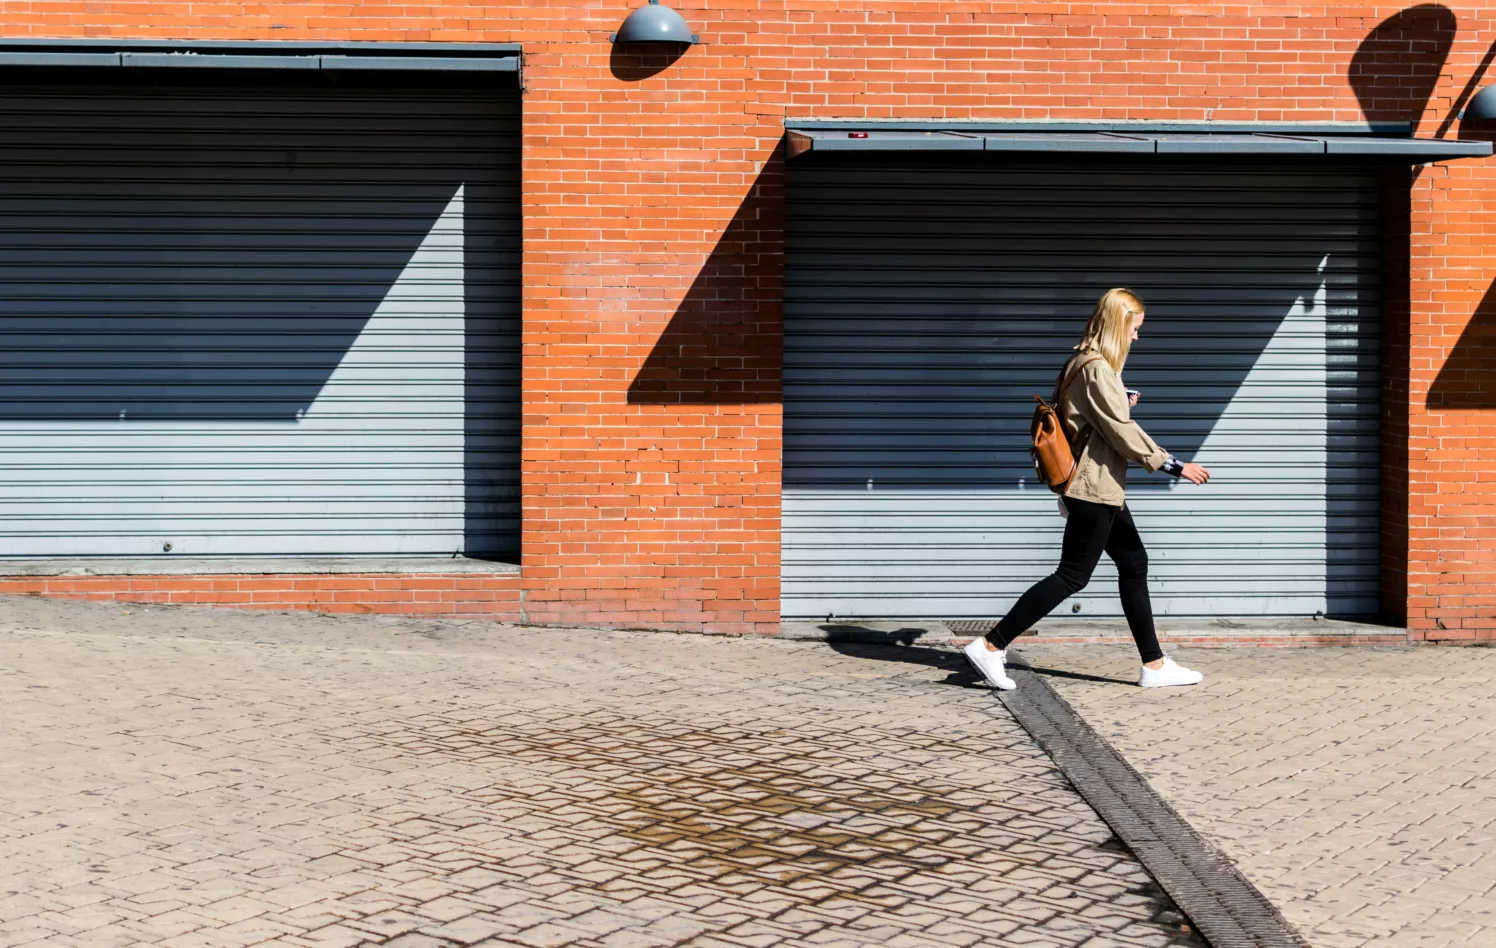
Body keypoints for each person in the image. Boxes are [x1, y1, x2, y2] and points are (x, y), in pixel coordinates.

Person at [966, 288, 1212, 690]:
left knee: (1134, 563)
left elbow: (1096, 419)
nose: (1137, 337)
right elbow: (1120, 432)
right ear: (1118, 325)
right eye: (1135, 329)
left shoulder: (1081, 363)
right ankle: (991, 646)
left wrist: (1120, 404)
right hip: (1092, 487)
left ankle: (1154, 664)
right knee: (1071, 576)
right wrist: (1173, 465)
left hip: (1101, 487)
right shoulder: (1097, 369)